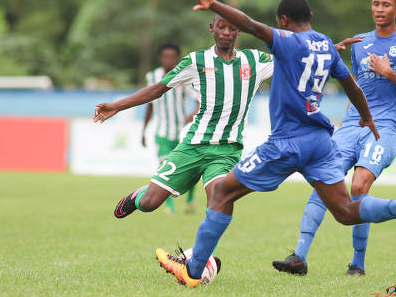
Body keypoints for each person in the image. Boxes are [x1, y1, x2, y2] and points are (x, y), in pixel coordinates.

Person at [156, 0, 396, 288]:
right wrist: (367, 118)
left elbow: (249, 24)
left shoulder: (287, 41)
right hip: (320, 143)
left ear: (282, 20)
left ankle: (194, 269)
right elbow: (353, 87)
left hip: (285, 143)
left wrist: (215, 4)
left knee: (223, 193)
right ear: (312, 15)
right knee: (345, 211)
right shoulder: (327, 46)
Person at [272, 0, 396, 277]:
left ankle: (357, 264)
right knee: (324, 180)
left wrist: (390, 73)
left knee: (358, 187)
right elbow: (355, 87)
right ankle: (298, 257)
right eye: (375, 4)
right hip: (350, 126)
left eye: (386, 5)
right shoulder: (360, 43)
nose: (379, 10)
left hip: (384, 128)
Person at [93, 13, 274, 220]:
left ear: (240, 31)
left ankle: (200, 254)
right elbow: (157, 89)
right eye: (221, 27)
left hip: (227, 149)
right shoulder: (196, 61)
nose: (226, 33)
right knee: (149, 203)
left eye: (232, 29)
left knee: (219, 200)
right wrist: (117, 105)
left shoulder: (255, 60)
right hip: (193, 145)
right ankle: (139, 196)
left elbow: (291, 61)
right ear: (211, 28)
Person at [142, 42, 199, 214]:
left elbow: (198, 99)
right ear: (160, 58)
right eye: (165, 56)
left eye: (172, 56)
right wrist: (143, 131)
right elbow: (149, 104)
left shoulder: (184, 76)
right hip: (162, 132)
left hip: (182, 131)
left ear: (177, 58)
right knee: (164, 167)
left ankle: (189, 200)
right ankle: (169, 207)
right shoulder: (152, 76)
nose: (168, 60)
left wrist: (192, 114)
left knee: (191, 170)